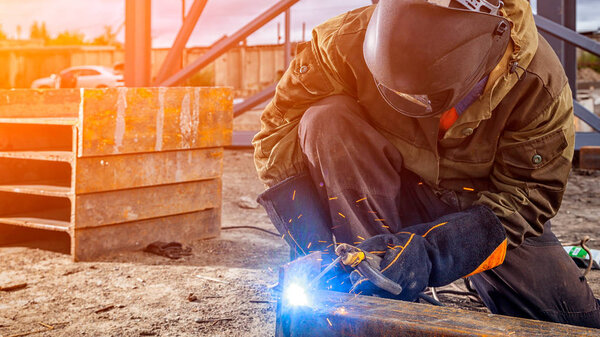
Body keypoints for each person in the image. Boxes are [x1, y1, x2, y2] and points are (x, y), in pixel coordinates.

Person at [254, 0, 600, 328]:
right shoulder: (342, 42)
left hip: (478, 213)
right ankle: (369, 283)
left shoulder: (538, 83)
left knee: (575, 323)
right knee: (324, 119)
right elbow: (276, 133)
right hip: (386, 188)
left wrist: (432, 255)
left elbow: (529, 196)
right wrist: (313, 242)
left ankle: (431, 272)